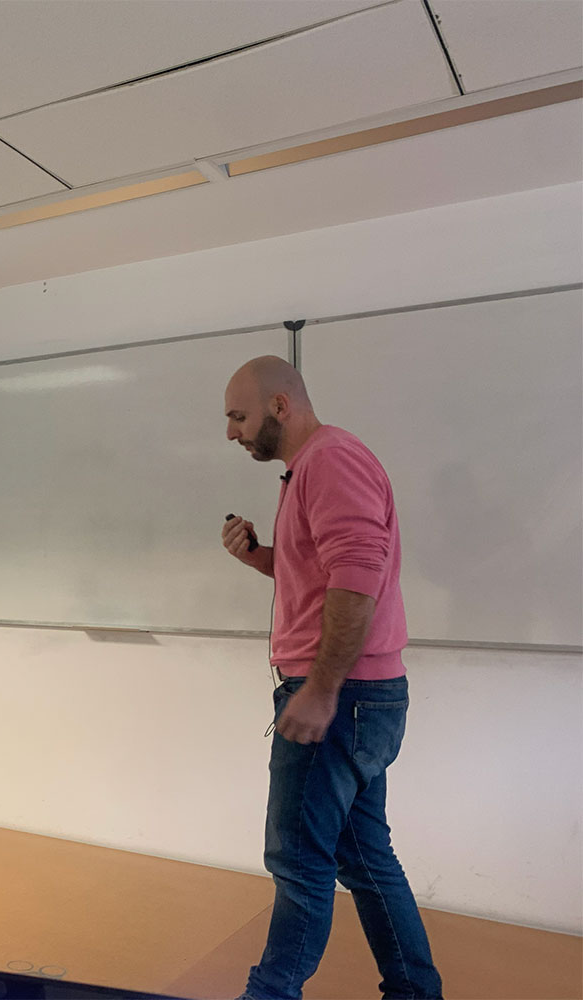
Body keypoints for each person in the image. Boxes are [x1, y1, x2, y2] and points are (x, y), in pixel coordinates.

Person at [220, 356, 442, 1000]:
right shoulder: (309, 469)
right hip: (360, 698)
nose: (231, 433)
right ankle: (416, 992)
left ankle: (268, 994)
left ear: (280, 406)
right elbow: (323, 574)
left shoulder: (331, 461)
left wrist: (319, 691)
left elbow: (357, 577)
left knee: (298, 861)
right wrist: (259, 557)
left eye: (238, 416)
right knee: (365, 858)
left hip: (341, 697)